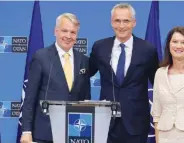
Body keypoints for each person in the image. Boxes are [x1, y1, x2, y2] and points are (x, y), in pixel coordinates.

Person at [89, 3, 159, 143]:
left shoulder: (147, 50)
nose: (121, 26)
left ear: (134, 22)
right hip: (106, 122)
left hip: (136, 123)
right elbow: (85, 74)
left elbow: (158, 83)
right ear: (111, 22)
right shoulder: (99, 47)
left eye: (126, 21)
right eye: (117, 21)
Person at [20, 13, 90, 143]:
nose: (68, 36)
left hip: (75, 133)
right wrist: (26, 131)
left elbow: (85, 99)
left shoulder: (84, 61)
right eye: (64, 31)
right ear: (55, 31)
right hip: (45, 133)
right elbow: (30, 98)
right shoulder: (41, 57)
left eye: (73, 32)